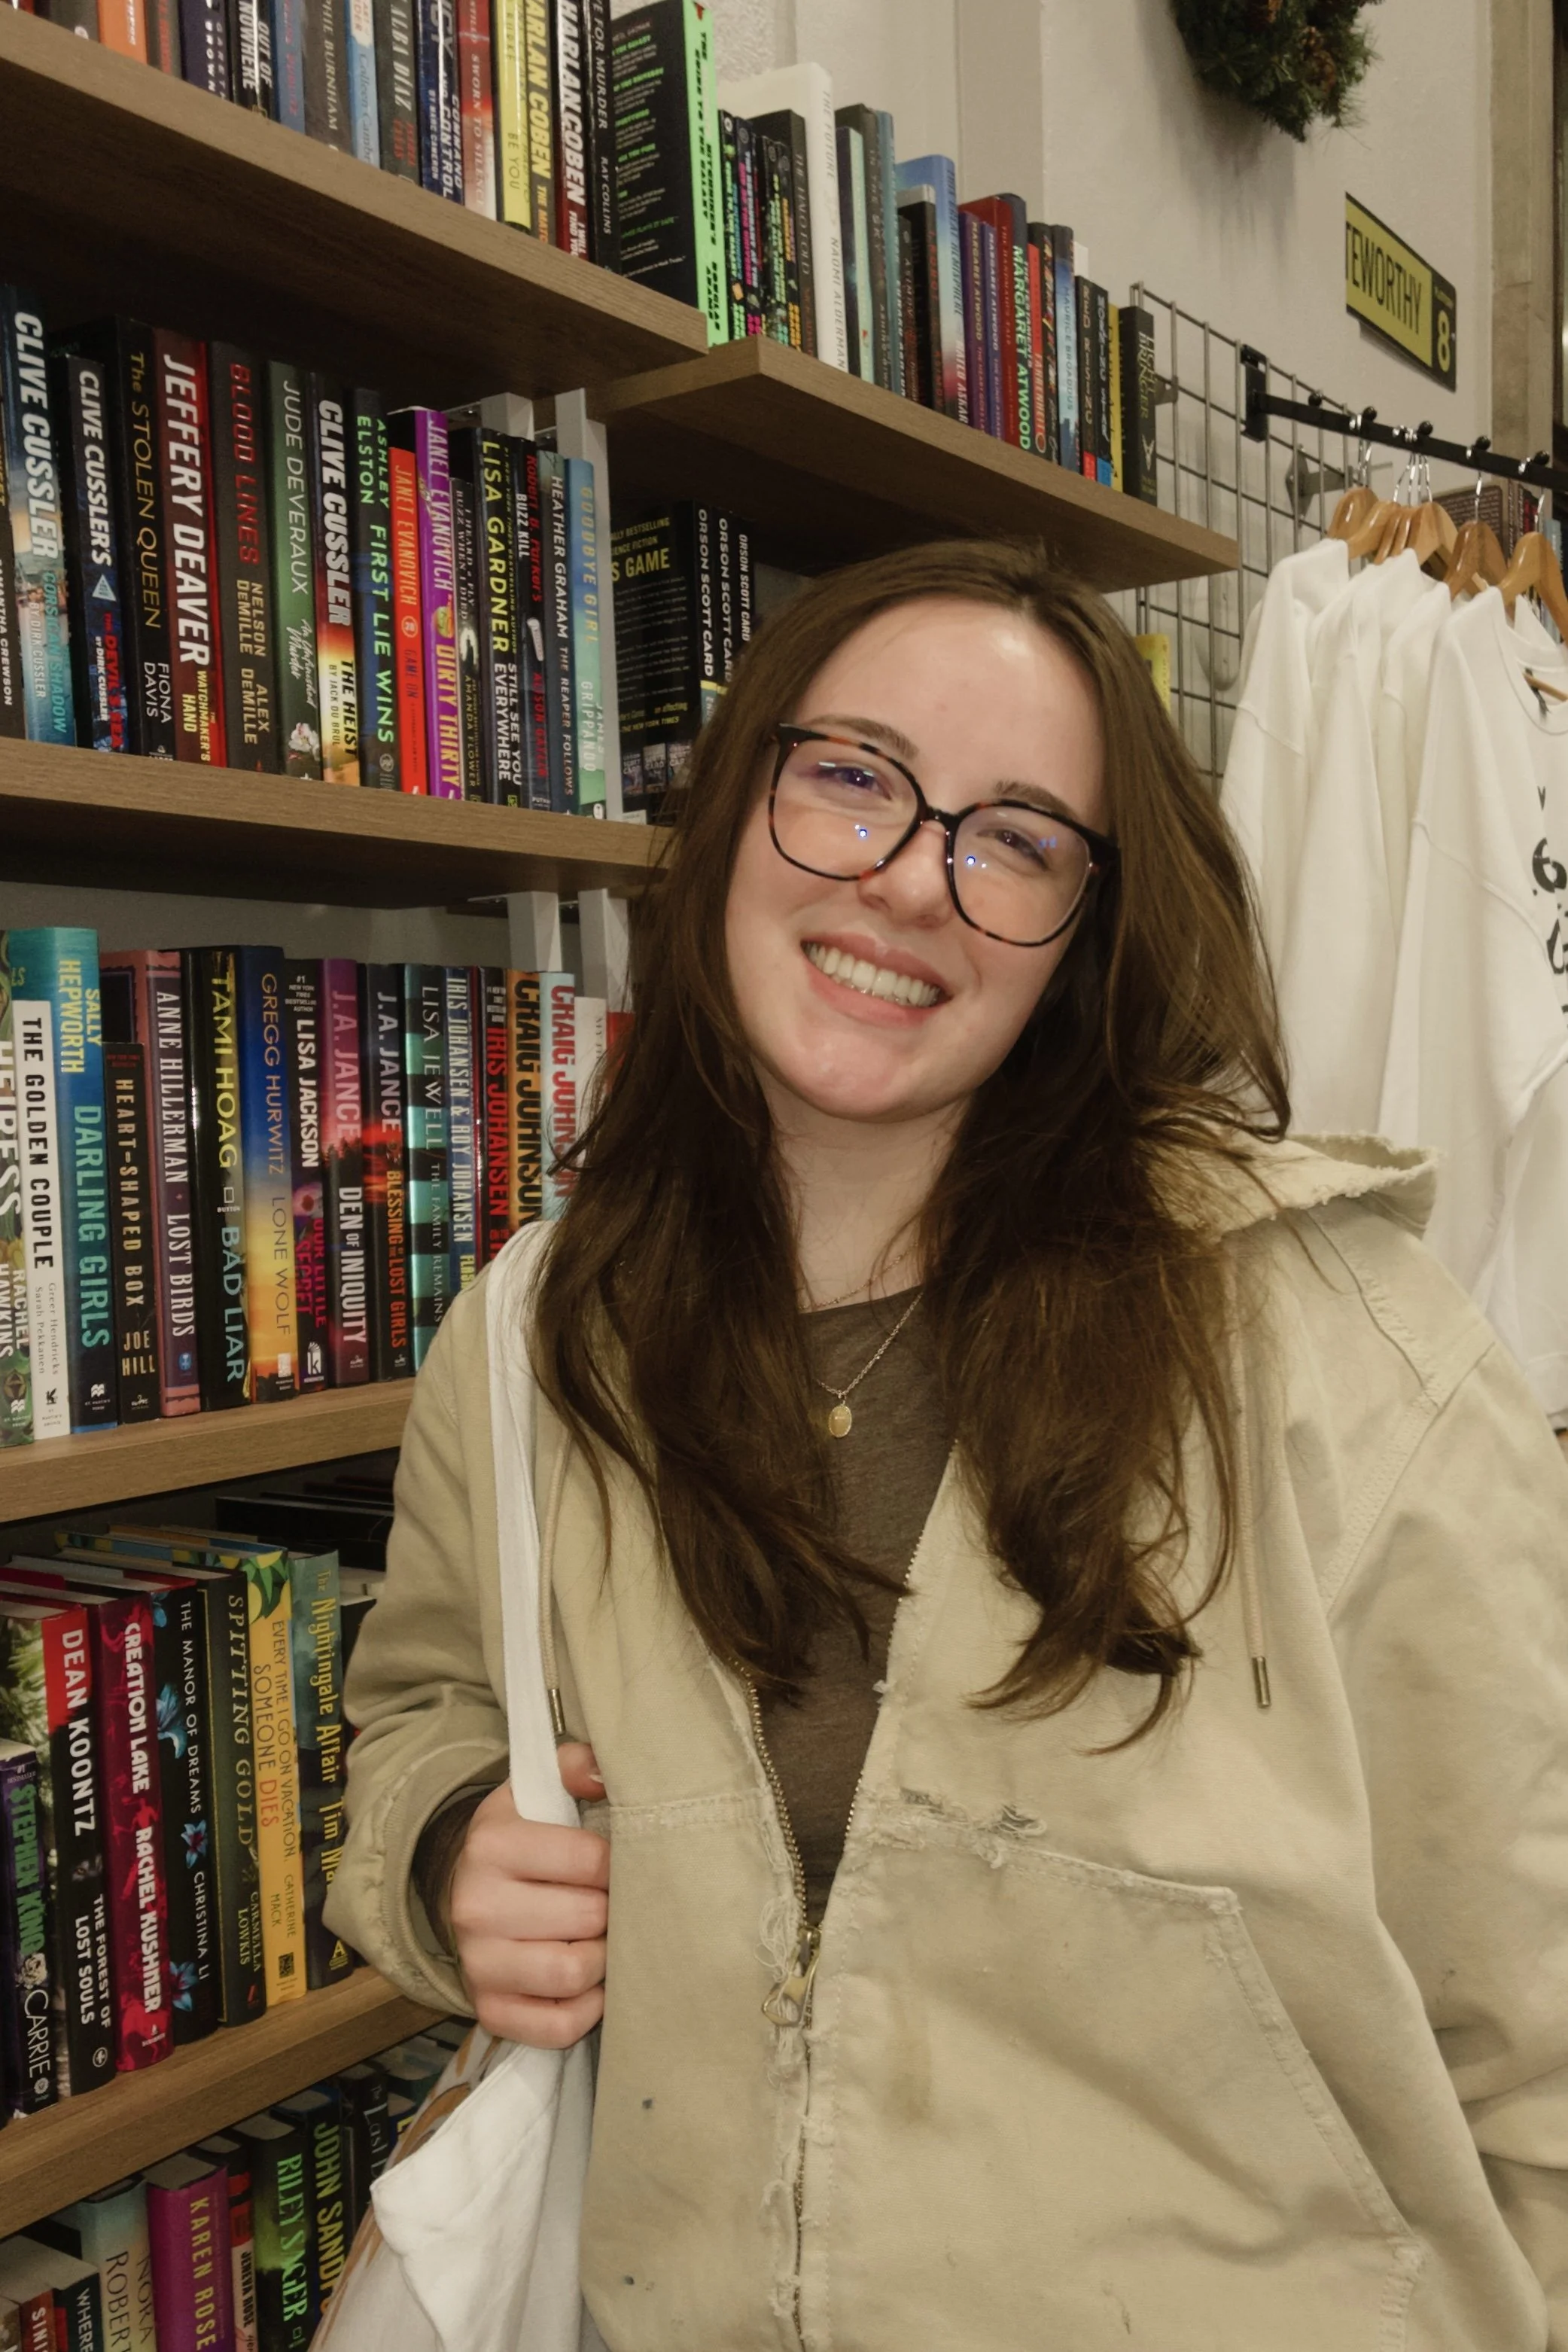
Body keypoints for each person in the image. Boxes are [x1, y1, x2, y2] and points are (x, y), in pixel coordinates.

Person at [328, 540, 1568, 2350]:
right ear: (739, 796)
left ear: (1086, 932)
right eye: (853, 777)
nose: (913, 880)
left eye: (1016, 839)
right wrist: (444, 1845)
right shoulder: (539, 1334)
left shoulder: (1338, 1343)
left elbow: (1534, 2011)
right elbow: (422, 1703)